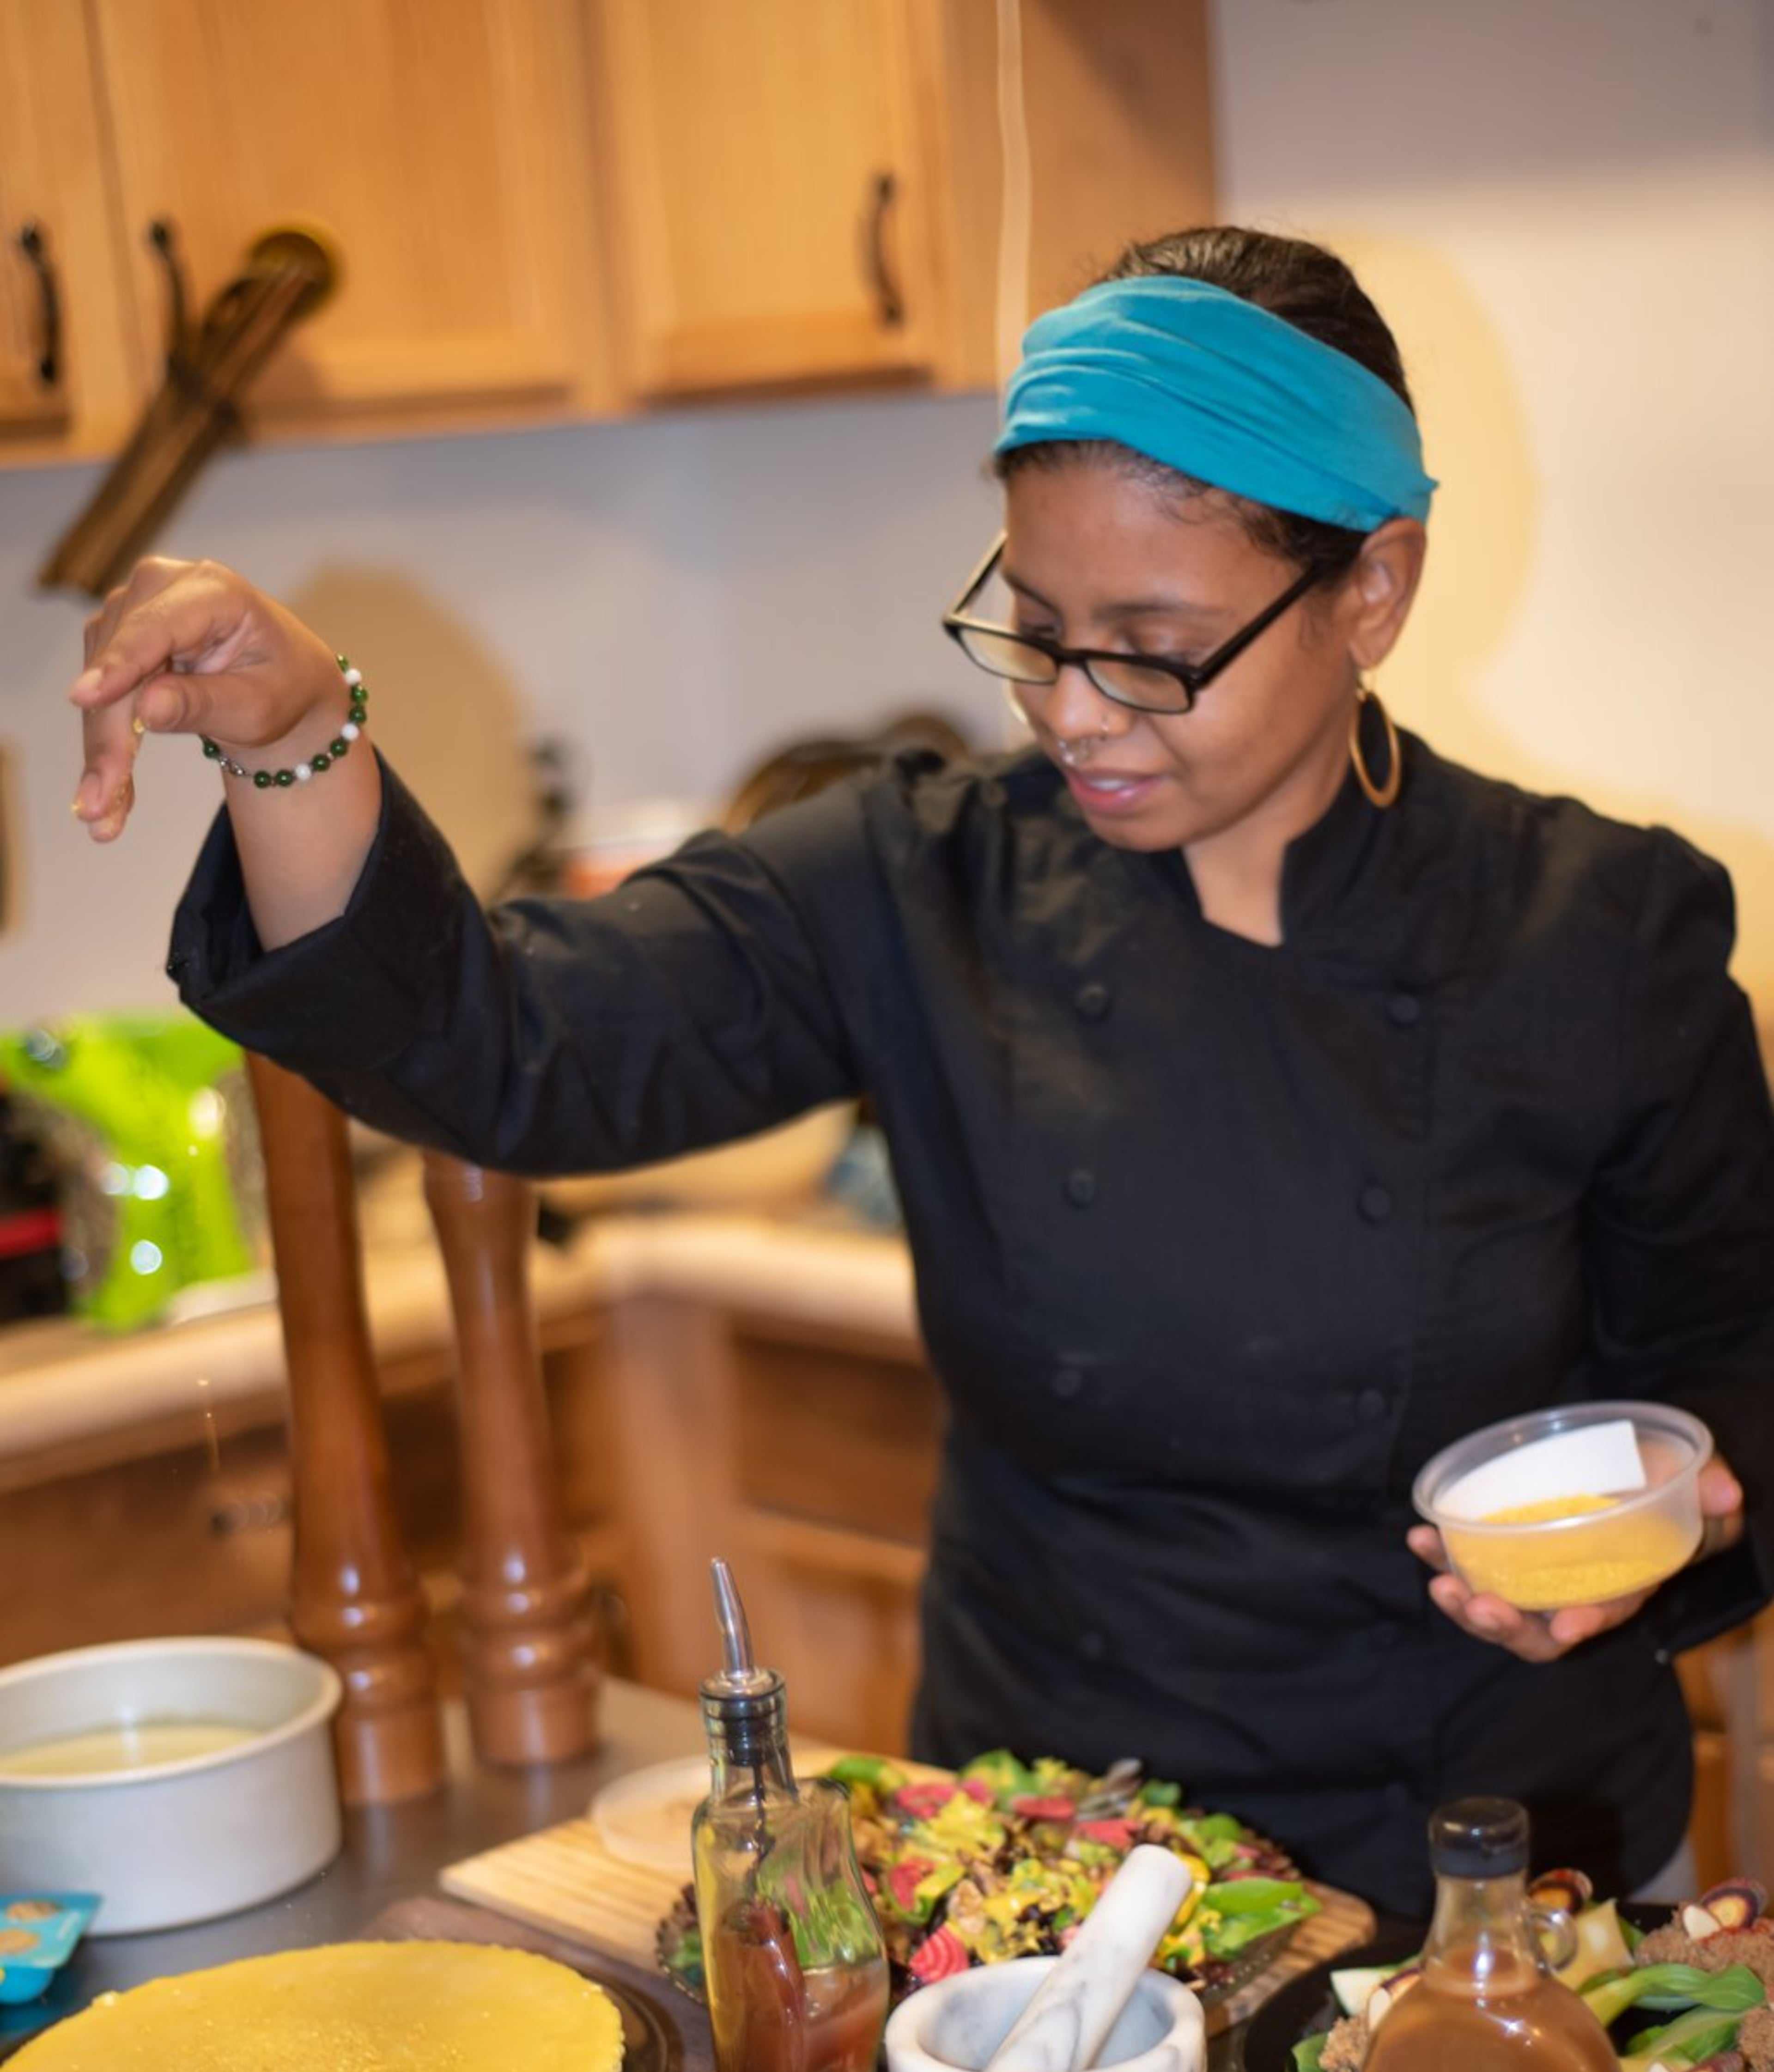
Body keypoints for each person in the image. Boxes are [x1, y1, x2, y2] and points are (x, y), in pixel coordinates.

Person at [67, 224, 1774, 1920]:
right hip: (1051, 1885)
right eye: (1034, 627)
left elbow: (1735, 1386)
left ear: (1372, 593)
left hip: (1490, 1887)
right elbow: (507, 1047)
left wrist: (1656, 1545)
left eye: (1151, 642)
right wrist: (291, 739)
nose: (1078, 712)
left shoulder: (1599, 937)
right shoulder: (922, 878)